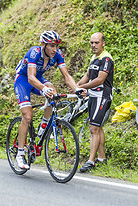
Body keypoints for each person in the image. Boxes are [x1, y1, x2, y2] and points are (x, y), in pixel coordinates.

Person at [14, 31, 78, 169]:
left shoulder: (57, 55)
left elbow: (66, 76)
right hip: (23, 80)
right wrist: (43, 89)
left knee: (53, 91)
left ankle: (44, 125)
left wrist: (77, 89)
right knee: (27, 115)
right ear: (43, 44)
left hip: (38, 79)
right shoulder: (34, 52)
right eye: (51, 46)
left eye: (56, 46)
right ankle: (20, 153)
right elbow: (31, 77)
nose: (55, 49)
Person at [77, 32, 114, 173]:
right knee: (98, 127)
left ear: (103, 43)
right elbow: (87, 75)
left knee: (93, 128)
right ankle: (101, 158)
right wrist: (76, 86)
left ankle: (90, 161)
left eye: (96, 42)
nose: (93, 45)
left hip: (102, 96)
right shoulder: (95, 57)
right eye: (92, 42)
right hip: (93, 95)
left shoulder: (106, 59)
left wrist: (82, 87)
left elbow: (99, 80)